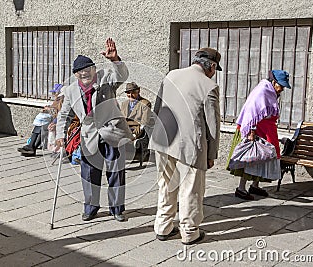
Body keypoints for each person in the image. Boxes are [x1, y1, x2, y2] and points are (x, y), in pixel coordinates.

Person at [149, 48, 221, 245]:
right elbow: (213, 125)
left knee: (166, 184)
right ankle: (189, 231)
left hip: (164, 139)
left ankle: (163, 226)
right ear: (211, 66)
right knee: (190, 188)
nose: (214, 72)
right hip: (190, 145)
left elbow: (157, 108)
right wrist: (212, 153)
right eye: (215, 68)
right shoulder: (209, 85)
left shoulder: (171, 75)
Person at [55, 38, 132, 222]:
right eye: (80, 72)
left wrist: (115, 60)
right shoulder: (71, 90)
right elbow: (64, 114)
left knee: (116, 172)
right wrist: (60, 135)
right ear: (75, 75)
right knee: (89, 174)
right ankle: (91, 207)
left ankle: (117, 209)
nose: (85, 74)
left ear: (93, 70)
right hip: (89, 136)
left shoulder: (106, 78)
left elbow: (122, 75)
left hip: (112, 132)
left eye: (88, 70)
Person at [227, 70, 291, 200]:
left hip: (266, 131)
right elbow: (251, 112)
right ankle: (241, 188)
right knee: (250, 159)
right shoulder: (262, 91)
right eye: (281, 86)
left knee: (263, 158)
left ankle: (255, 186)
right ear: (274, 82)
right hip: (255, 131)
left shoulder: (271, 92)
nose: (282, 89)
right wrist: (251, 131)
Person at [18, 84, 64, 156]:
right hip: (53, 119)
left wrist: (49, 109)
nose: (54, 94)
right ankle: (31, 147)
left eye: (55, 92)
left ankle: (31, 147)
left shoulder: (61, 100)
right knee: (40, 126)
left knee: (42, 126)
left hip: (58, 120)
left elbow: (59, 112)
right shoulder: (58, 99)